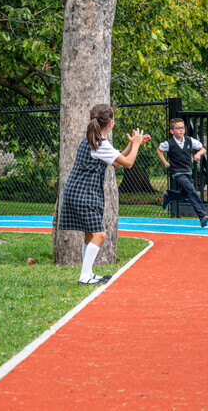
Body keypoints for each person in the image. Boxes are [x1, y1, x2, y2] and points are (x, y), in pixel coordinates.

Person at [58, 104, 150, 284]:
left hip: (78, 191)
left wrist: (133, 144)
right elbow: (128, 163)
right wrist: (136, 144)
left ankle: (88, 274)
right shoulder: (100, 143)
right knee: (99, 235)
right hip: (85, 193)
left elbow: (116, 162)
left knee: (89, 235)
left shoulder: (93, 139)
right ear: (111, 123)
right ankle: (84, 277)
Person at [157, 118, 208, 227]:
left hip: (187, 171)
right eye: (178, 128)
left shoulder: (189, 140)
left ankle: (169, 195)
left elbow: (203, 149)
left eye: (182, 128)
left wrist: (198, 154)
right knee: (190, 189)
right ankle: (202, 215)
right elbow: (159, 149)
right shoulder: (168, 144)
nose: (181, 130)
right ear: (172, 131)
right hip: (177, 172)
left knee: (186, 193)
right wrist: (164, 161)